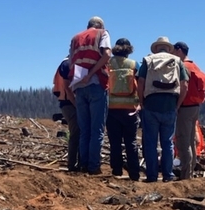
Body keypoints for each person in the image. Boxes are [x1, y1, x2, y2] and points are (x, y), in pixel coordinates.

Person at [137, 37, 188, 182]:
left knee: (151, 142)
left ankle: (152, 175)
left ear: (157, 48)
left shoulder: (148, 60)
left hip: (151, 104)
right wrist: (177, 105)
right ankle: (168, 175)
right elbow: (184, 85)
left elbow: (140, 82)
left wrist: (142, 102)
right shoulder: (178, 61)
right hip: (170, 104)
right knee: (167, 142)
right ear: (168, 48)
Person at [68, 17, 112, 175]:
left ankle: (83, 165)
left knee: (84, 129)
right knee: (96, 129)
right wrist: (92, 73)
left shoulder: (75, 38)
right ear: (100, 25)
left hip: (79, 86)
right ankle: (93, 166)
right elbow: (106, 55)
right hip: (95, 84)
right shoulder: (102, 34)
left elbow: (71, 60)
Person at [173, 42, 205, 179]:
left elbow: (184, 86)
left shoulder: (183, 66)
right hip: (195, 107)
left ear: (179, 51)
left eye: (173, 50)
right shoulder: (194, 65)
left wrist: (177, 105)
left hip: (185, 107)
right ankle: (190, 171)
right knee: (191, 141)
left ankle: (185, 175)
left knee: (183, 141)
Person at [106, 38, 140, 181]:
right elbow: (141, 84)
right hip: (130, 109)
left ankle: (117, 171)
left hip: (112, 109)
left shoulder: (108, 64)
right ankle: (134, 174)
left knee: (115, 143)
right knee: (130, 142)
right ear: (129, 50)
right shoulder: (134, 64)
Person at [52, 57, 80, 172]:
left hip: (67, 103)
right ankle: (72, 165)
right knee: (76, 134)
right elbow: (68, 88)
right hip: (70, 103)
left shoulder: (64, 64)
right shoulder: (67, 64)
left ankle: (76, 163)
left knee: (78, 134)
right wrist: (77, 105)